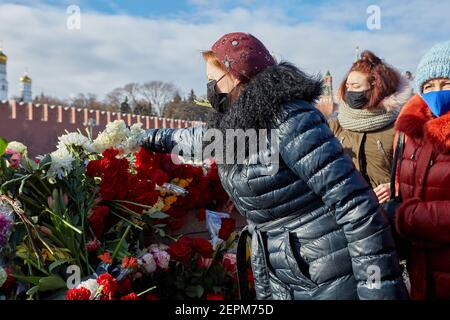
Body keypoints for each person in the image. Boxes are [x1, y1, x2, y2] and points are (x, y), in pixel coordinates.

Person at [141, 32, 407, 300]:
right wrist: (147, 137)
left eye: (213, 81)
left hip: (328, 272)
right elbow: (198, 140)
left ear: (237, 77)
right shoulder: (244, 123)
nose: (210, 89)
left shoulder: (290, 120)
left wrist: (378, 290)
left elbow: (356, 206)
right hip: (289, 272)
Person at [394, 40, 450, 300]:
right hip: (421, 273)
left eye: (446, 84)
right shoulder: (412, 135)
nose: (437, 92)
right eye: (429, 86)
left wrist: (408, 218)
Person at [329, 51, 413, 204]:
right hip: (348, 212)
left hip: (387, 212)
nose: (350, 92)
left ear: (375, 86)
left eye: (356, 86)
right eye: (348, 86)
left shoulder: (399, 126)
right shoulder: (335, 124)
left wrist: (395, 187)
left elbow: (415, 174)